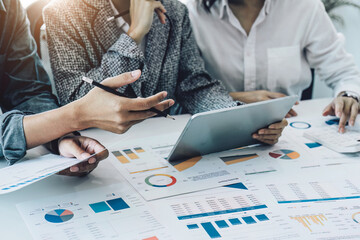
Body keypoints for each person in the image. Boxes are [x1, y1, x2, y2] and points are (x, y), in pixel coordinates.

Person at [44, 0, 287, 145]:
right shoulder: (64, 12)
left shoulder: (174, 10)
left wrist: (242, 121)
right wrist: (135, 33)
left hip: (162, 142)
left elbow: (194, 85)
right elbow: (75, 99)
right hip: (99, 145)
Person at [0, 0, 173, 176]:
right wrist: (73, 117)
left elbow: (28, 92)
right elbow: (73, 96)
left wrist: (60, 137)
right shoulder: (65, 11)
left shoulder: (10, 7)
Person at [185, 0, 360, 133]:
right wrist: (236, 99)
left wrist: (348, 95)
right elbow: (182, 92)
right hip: (216, 129)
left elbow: (343, 72)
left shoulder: (304, 7)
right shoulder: (189, 11)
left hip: (291, 131)